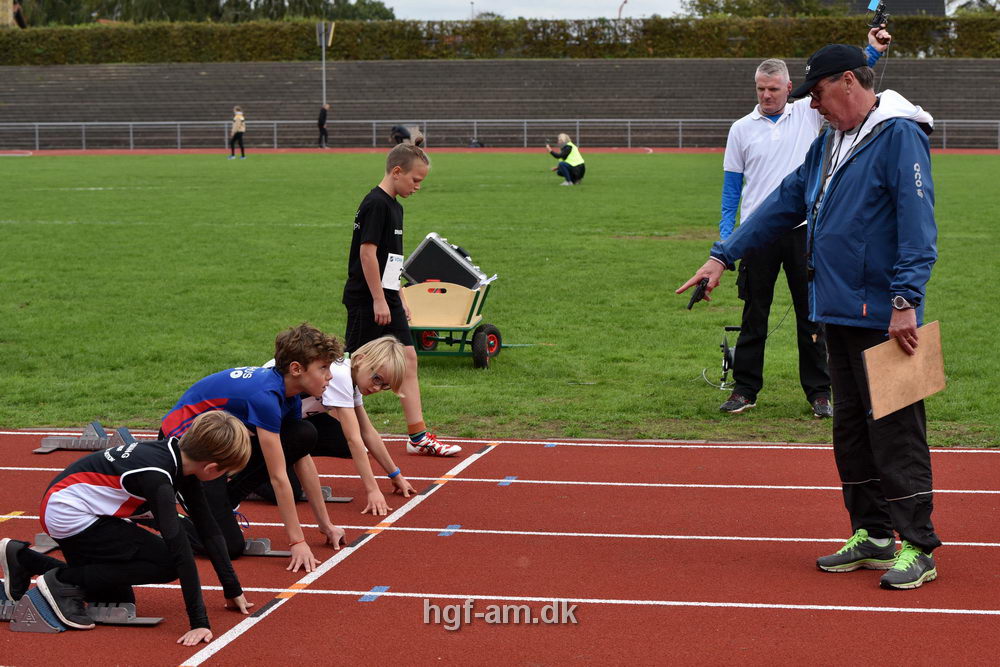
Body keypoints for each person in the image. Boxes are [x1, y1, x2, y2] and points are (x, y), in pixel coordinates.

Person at [677, 43, 939, 590]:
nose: (812, 106)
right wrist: (722, 254)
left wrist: (904, 300)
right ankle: (873, 534)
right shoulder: (829, 142)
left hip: (889, 315)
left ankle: (918, 546)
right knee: (851, 431)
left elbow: (918, 228)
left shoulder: (900, 135)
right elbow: (781, 203)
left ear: (848, 82)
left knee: (898, 432)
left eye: (816, 94)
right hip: (837, 309)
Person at [716, 27, 890, 417]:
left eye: (774, 89)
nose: (766, 95)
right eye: (761, 89)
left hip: (803, 233)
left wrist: (872, 51)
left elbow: (846, 80)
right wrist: (729, 243)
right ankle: (744, 389)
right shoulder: (740, 129)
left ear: (789, 87)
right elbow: (731, 192)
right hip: (757, 236)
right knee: (753, 315)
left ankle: (819, 392)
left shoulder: (807, 114)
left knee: (812, 314)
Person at [0, 411, 253, 645]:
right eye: (227, 474)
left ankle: (23, 559)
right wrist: (199, 622)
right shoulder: (158, 477)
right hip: (70, 514)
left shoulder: (178, 459)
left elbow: (208, 528)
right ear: (211, 468)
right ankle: (60, 582)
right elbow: (180, 549)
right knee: (167, 562)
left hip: (77, 506)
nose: (225, 479)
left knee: (114, 594)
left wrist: (232, 589)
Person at [161, 323, 347, 572]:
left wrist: (325, 524)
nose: (330, 376)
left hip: (218, 445)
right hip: (187, 450)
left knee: (303, 433)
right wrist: (297, 541)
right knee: (228, 547)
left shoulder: (289, 394)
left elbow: (300, 456)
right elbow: (278, 476)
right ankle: (162, 519)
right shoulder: (266, 397)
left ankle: (222, 502)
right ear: (296, 369)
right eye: (323, 368)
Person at [342, 144, 461, 457]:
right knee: (348, 368)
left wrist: (399, 294)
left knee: (409, 358)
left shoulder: (395, 206)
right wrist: (379, 300)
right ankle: (329, 424)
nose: (418, 187)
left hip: (387, 295)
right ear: (396, 172)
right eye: (415, 180)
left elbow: (391, 259)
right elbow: (366, 254)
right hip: (365, 299)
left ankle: (417, 436)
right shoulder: (375, 204)